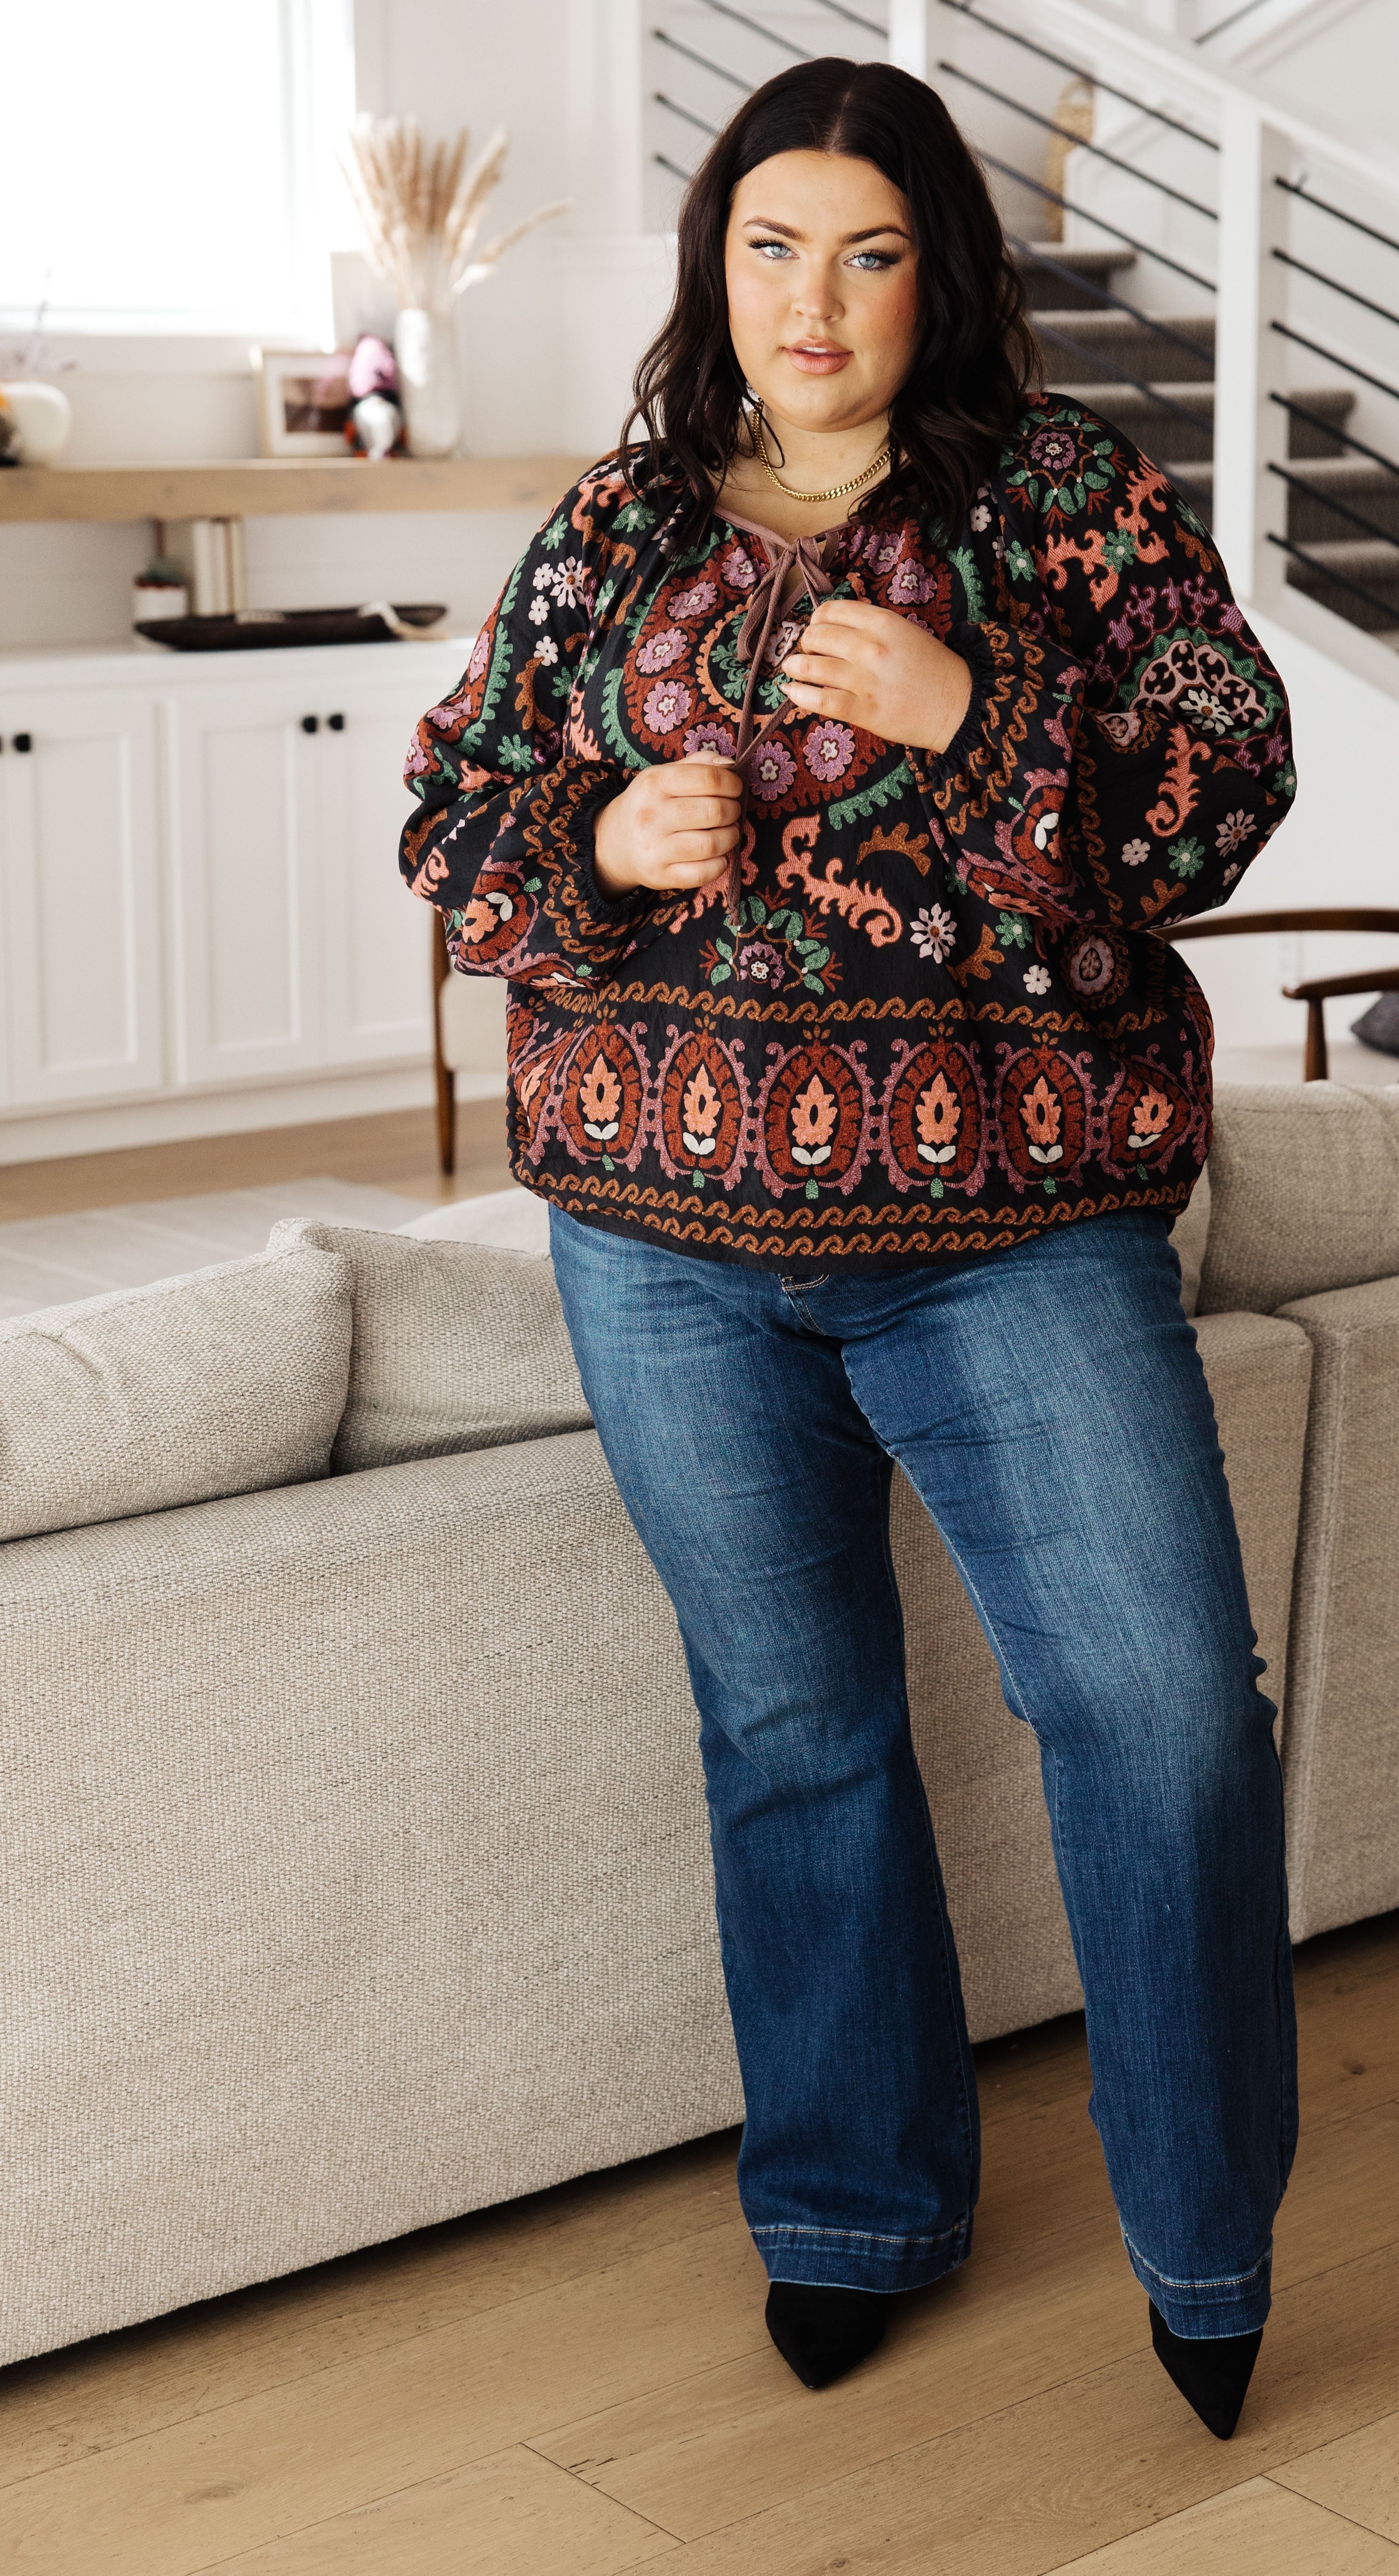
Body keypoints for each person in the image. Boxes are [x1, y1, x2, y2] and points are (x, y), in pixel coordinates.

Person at [401, 55, 1298, 2441]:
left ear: (943, 277)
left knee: (1168, 1720)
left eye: (871, 251)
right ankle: (848, 2207)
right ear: (718, 264)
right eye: (773, 247)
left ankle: (1205, 2240)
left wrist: (977, 707)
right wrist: (598, 836)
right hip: (659, 1242)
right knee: (790, 1728)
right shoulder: (611, 524)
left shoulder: (1069, 506)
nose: (815, 302)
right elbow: (452, 809)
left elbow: (1225, 796)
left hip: (1014, 1231)